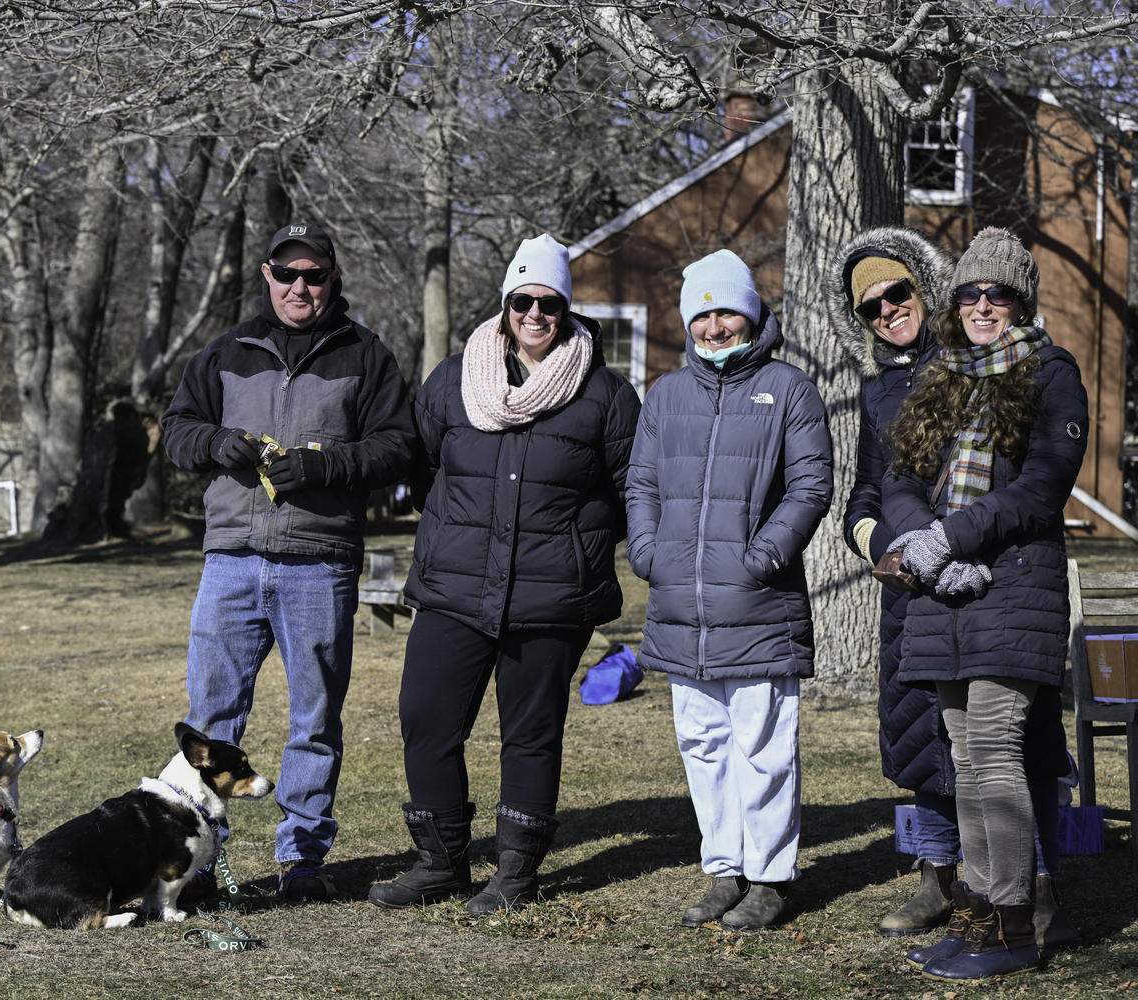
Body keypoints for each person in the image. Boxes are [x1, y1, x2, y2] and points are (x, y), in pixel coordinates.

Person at [368, 234, 640, 914]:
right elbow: (423, 466)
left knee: (531, 732)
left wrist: (584, 544)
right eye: (524, 301)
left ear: (567, 309)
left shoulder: (604, 393)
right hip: (455, 588)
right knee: (426, 719)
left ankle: (516, 872)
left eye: (550, 303)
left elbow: (634, 486)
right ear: (505, 305)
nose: (536, 315)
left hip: (553, 597)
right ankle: (440, 862)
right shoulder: (455, 380)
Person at [833, 230, 1080, 949]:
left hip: (1012, 586)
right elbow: (892, 484)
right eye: (970, 293)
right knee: (962, 750)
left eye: (996, 293)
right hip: (934, 591)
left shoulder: (1048, 371)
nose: (981, 304)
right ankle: (974, 906)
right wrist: (921, 549)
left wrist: (954, 538)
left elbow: (1040, 487)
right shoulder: (932, 382)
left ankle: (1017, 907)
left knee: (1003, 747)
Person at [162, 223, 415, 903]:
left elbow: (399, 446)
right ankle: (193, 858)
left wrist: (326, 464)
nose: (300, 287)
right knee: (211, 719)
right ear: (268, 278)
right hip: (231, 562)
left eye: (314, 275)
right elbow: (177, 434)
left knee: (315, 717)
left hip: (320, 562)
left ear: (332, 280)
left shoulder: (366, 354)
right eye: (287, 274)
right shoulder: (225, 352)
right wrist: (217, 443)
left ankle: (301, 859)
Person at [626, 249, 833, 930]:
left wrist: (763, 556)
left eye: (728, 311)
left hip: (757, 603)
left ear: (752, 313)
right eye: (704, 313)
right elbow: (642, 485)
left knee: (764, 747)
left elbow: (811, 486)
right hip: (682, 607)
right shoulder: (665, 394)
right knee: (703, 745)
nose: (716, 326)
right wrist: (650, 553)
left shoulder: (789, 388)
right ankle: (725, 870)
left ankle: (771, 876)